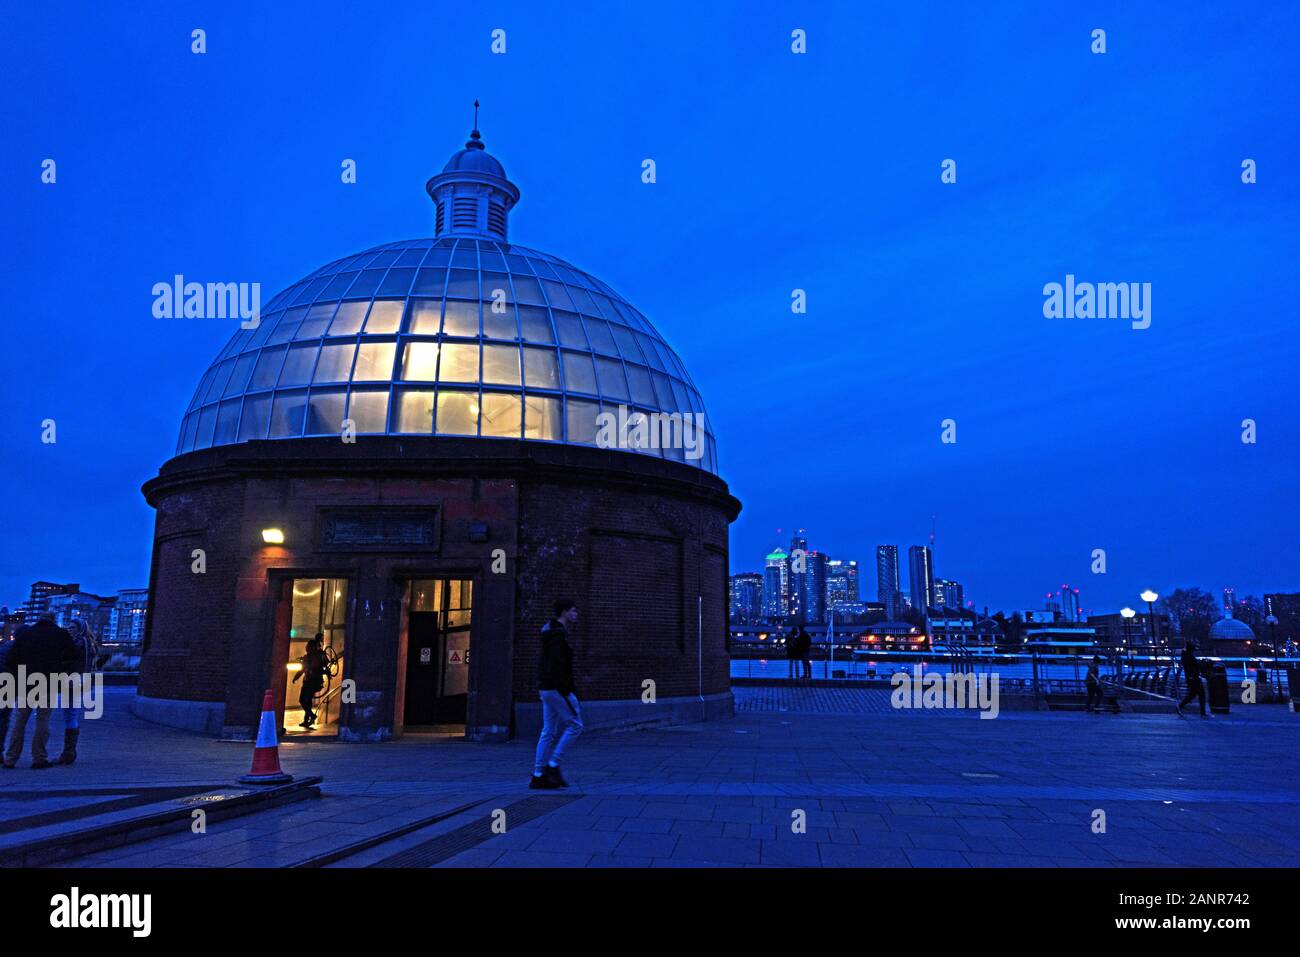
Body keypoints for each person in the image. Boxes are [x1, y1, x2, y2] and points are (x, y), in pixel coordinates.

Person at [3, 614, 78, 769]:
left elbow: (10, 660)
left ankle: (11, 758)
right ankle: (39, 758)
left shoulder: (26, 634)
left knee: (20, 722)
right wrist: (60, 668)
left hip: (26, 683)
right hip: (48, 683)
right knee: (43, 721)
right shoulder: (60, 634)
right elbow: (74, 656)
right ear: (53, 620)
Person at [531, 599, 583, 790]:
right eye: (573, 611)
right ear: (564, 613)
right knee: (576, 724)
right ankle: (553, 765)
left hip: (546, 688)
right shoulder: (557, 637)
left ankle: (538, 775)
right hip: (556, 688)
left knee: (548, 731)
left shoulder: (550, 633)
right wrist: (566, 689)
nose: (576, 614)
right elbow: (558, 666)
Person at [58, 619, 100, 764]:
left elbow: (70, 660)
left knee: (70, 713)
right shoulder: (89, 642)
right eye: (68, 627)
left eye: (73, 627)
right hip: (81, 681)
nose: (69, 629)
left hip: (73, 681)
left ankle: (69, 752)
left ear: (80, 628)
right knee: (71, 712)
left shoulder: (79, 642)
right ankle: (69, 751)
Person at [291, 634, 329, 729]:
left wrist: (295, 677)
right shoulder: (320, 655)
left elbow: (302, 670)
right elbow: (326, 664)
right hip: (317, 682)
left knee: (302, 700)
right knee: (308, 701)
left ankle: (312, 716)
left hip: (309, 682)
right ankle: (306, 720)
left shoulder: (309, 657)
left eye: (308, 646)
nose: (306, 647)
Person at [1176, 639, 1209, 718]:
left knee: (1192, 695)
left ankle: (1180, 706)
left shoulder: (1185, 655)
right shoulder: (1189, 656)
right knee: (1201, 695)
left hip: (1191, 678)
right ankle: (1203, 713)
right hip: (1194, 678)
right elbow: (1196, 665)